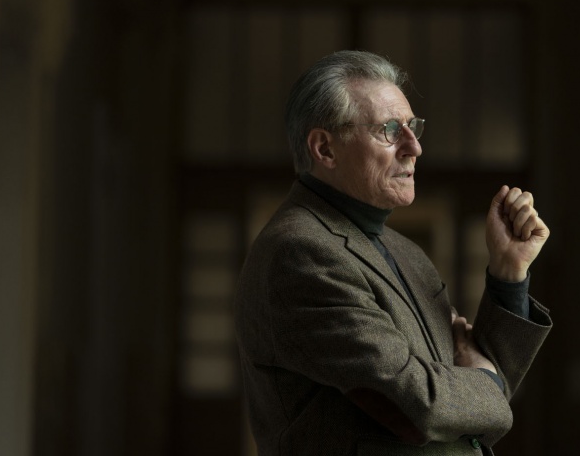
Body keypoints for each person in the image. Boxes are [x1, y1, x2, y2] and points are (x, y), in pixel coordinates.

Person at [235, 50, 552, 455]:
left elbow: (470, 402)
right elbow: (419, 406)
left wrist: (508, 274)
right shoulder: (300, 252)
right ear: (325, 149)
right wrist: (487, 381)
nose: (414, 147)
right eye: (389, 129)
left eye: (413, 127)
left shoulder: (405, 251)